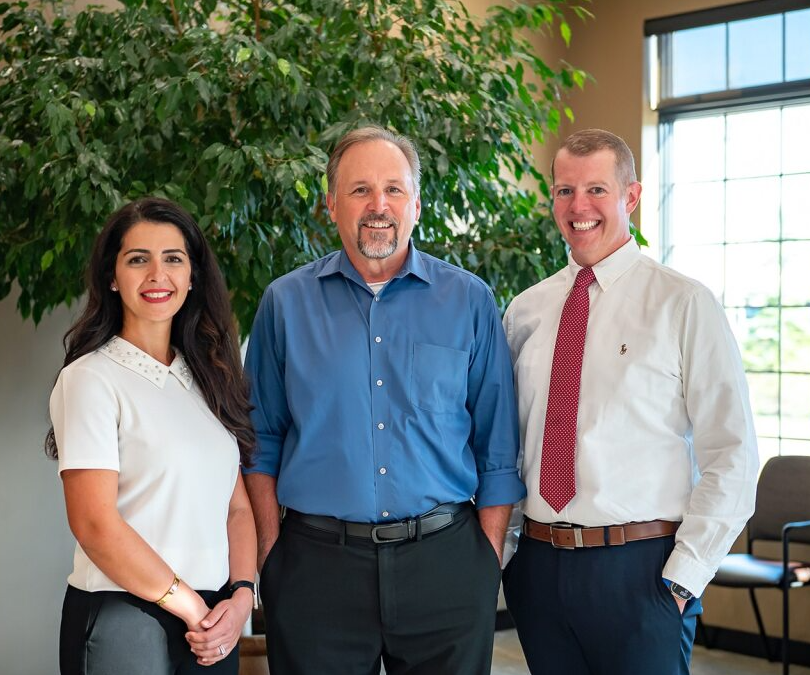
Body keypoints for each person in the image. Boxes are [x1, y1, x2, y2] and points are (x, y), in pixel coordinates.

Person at [243, 125, 526, 675]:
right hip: (315, 569)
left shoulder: (469, 300)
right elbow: (261, 439)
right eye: (360, 190)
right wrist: (271, 553)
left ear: (416, 203)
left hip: (445, 564)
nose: (379, 206)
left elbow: (497, 444)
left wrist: (483, 564)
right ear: (330, 205)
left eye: (394, 190)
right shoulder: (284, 303)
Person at [502, 129, 759, 675]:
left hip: (642, 570)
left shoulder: (683, 303)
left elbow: (732, 454)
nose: (579, 207)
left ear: (631, 196)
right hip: (538, 568)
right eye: (565, 191)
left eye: (596, 189)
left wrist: (684, 575)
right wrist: (506, 556)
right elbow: (508, 446)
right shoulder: (525, 311)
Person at [47, 197, 258, 675]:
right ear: (111, 277)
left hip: (212, 622)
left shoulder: (209, 379)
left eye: (174, 259)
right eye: (138, 259)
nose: (157, 274)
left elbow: (238, 508)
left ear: (192, 277)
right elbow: (95, 524)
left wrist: (242, 597)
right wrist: (188, 605)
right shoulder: (90, 379)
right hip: (127, 616)